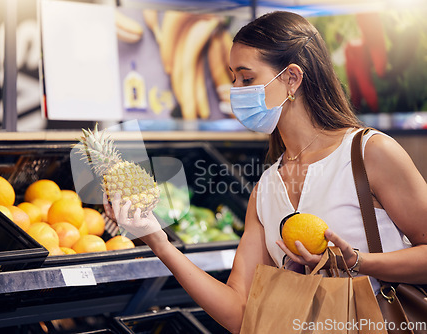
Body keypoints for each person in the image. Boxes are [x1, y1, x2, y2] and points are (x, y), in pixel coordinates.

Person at [105, 11, 427, 334]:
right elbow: (240, 311)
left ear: (292, 79)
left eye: (247, 78)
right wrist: (159, 242)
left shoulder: (368, 153)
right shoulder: (265, 190)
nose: (236, 91)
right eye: (233, 78)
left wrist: (358, 262)